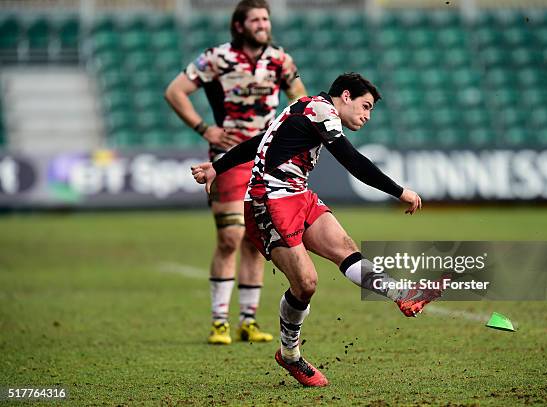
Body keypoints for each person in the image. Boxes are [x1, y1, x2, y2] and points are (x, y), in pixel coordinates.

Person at [190, 73, 445, 387]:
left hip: (298, 195)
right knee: (307, 283)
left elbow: (262, 141)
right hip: (267, 201)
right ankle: (290, 355)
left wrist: (218, 165)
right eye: (365, 106)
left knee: (344, 248)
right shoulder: (320, 110)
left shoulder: (306, 107)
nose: (366, 115)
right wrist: (398, 191)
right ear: (346, 96)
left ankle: (403, 295)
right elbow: (352, 160)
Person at [164, 0, 307, 345]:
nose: (262, 24)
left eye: (265, 19)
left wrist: (291, 126)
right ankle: (218, 322)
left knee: (254, 242)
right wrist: (204, 128)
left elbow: (298, 96)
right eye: (255, 19)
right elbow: (175, 91)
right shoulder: (217, 57)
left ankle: (247, 320)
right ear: (240, 25)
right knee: (229, 238)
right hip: (227, 157)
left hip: (266, 158)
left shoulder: (280, 59)